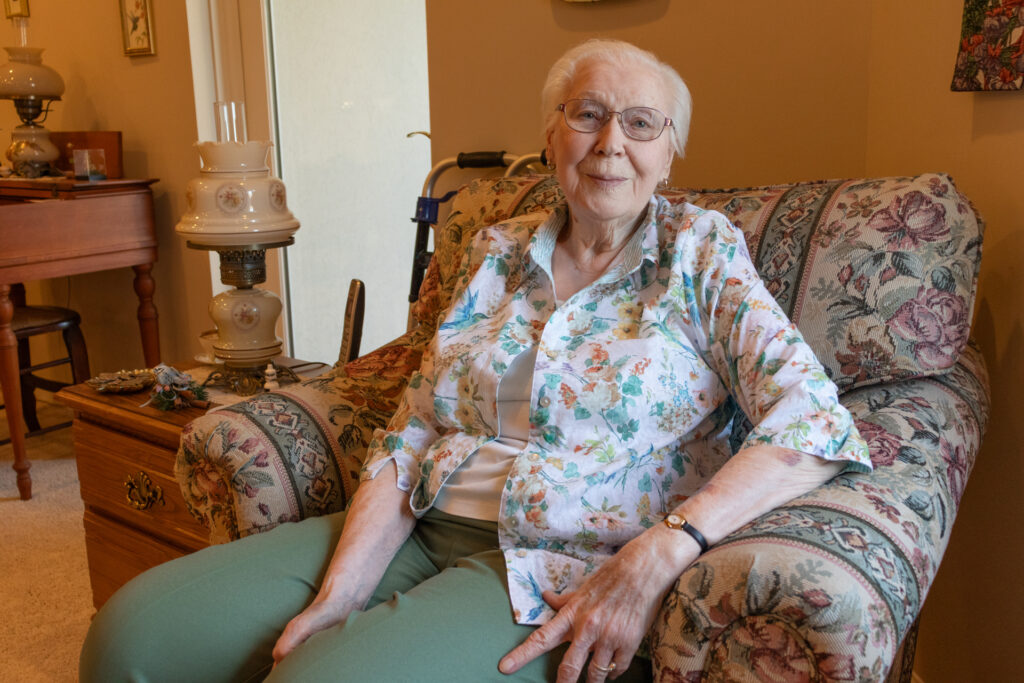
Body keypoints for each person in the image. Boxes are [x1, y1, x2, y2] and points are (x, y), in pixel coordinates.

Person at [80, 39, 870, 683]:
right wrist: (344, 585)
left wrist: (664, 548)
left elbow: (812, 418)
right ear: (550, 136)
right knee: (133, 639)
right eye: (588, 114)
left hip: (554, 564)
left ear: (672, 153)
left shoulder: (701, 254)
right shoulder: (494, 252)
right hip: (423, 523)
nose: (610, 144)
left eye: (640, 123)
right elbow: (415, 422)